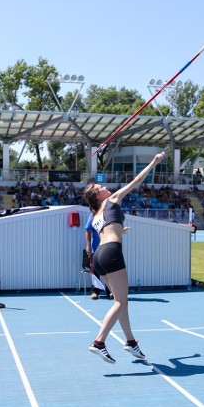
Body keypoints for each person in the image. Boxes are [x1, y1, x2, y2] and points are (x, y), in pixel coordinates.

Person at [82, 151, 164, 364]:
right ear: (99, 196)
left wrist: (121, 231)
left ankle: (130, 342)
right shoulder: (111, 199)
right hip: (110, 253)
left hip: (100, 255)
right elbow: (136, 181)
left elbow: (105, 231)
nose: (105, 187)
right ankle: (99, 342)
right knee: (120, 303)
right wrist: (153, 162)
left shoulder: (96, 213)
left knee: (122, 302)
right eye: (101, 188)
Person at [85, 211, 112, 300]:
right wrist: (88, 246)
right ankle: (95, 291)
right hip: (95, 249)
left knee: (109, 271)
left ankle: (110, 291)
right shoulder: (93, 216)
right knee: (95, 271)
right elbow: (88, 231)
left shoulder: (110, 215)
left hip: (108, 248)